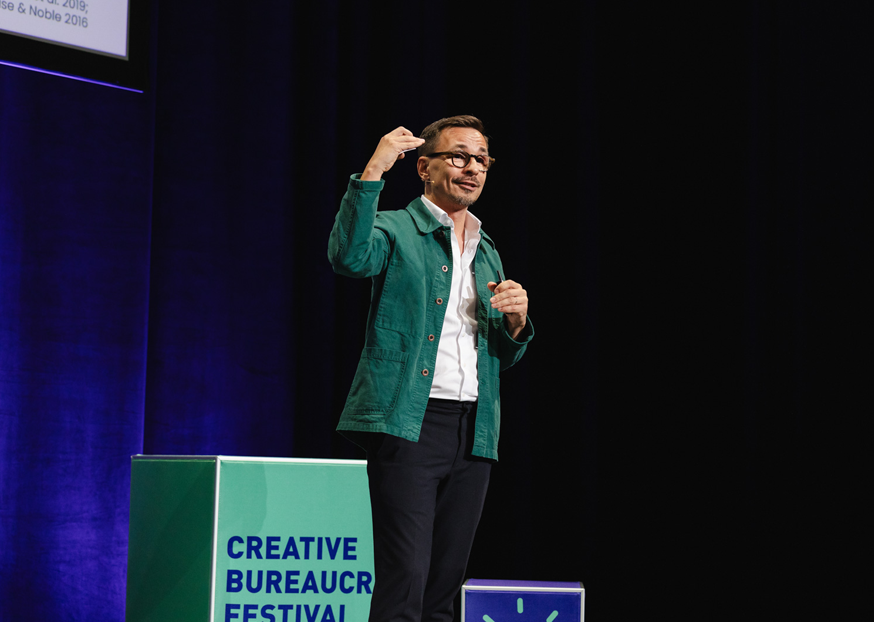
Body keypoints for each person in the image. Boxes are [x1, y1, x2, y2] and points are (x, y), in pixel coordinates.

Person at [328, 115, 533, 622]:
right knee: (406, 582)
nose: (472, 168)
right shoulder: (399, 227)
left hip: (474, 432)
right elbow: (349, 258)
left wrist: (516, 321)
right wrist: (375, 168)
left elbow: (504, 356)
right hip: (410, 424)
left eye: (481, 159)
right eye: (458, 156)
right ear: (423, 167)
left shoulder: (487, 250)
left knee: (444, 589)